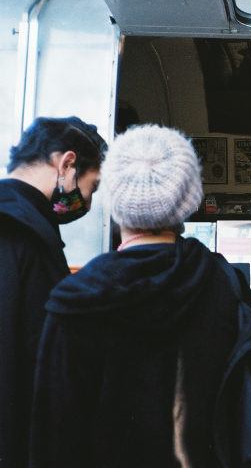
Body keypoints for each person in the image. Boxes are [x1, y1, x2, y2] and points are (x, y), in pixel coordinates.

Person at [28, 124, 242, 467]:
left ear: (114, 198)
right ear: (188, 199)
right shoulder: (223, 281)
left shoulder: (75, 298)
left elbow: (55, 437)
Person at [0, 116, 106, 467]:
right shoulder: (18, 231)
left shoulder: (20, 220)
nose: (86, 201)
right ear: (67, 165)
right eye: (92, 187)